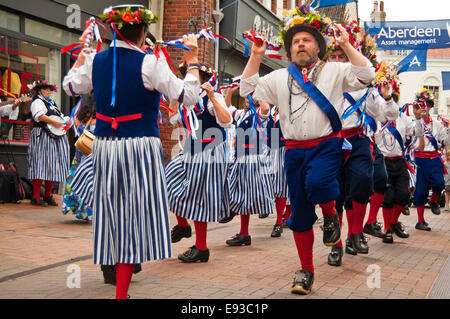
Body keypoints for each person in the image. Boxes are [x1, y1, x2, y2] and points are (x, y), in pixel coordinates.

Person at [63, 4, 201, 299]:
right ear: (142, 33)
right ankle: (121, 291)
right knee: (135, 217)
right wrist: (192, 62)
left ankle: (116, 277)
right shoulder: (149, 62)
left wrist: (84, 54)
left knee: (109, 215)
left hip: (104, 147)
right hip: (139, 147)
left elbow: (71, 87)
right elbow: (188, 95)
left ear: (114, 29)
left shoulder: (96, 60)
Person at [240, 5, 375, 294]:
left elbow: (367, 75)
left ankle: (329, 216)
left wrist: (346, 44)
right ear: (289, 50)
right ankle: (306, 270)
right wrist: (255, 55)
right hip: (294, 151)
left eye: (307, 40)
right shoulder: (279, 77)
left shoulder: (337, 71)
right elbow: (246, 89)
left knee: (319, 183)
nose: (301, 44)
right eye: (296, 41)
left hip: (327, 145)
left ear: (319, 47)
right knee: (299, 211)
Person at [325, 25, 399, 266]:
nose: (337, 62)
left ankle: (356, 232)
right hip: (331, 141)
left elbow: (386, 115)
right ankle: (335, 246)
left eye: (341, 57)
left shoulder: (365, 88)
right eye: (332, 57)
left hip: (357, 140)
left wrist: (386, 96)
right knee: (335, 197)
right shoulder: (321, 84)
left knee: (364, 183)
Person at [165, 63, 232, 263]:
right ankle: (183, 226)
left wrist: (212, 96)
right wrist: (173, 97)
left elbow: (227, 120)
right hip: (191, 151)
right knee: (166, 181)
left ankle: (201, 247)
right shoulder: (186, 100)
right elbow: (173, 120)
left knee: (198, 196)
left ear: (202, 77)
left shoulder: (213, 97)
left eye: (192, 75)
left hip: (211, 151)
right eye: (186, 75)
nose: (189, 78)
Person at [371, 96, 423, 243]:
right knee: (388, 198)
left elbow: (417, 133)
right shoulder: (376, 118)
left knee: (404, 196)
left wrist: (418, 118)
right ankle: (388, 228)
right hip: (383, 162)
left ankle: (394, 222)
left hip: (399, 162)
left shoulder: (404, 118)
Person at [224, 95, 274, 246]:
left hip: (253, 157)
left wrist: (259, 93)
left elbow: (265, 107)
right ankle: (242, 229)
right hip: (240, 158)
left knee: (245, 194)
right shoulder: (241, 113)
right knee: (236, 191)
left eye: (251, 95)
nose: (248, 97)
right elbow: (228, 108)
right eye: (246, 95)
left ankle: (243, 230)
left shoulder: (261, 113)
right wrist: (231, 91)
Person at [412, 88, 450, 231]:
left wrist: (449, 128)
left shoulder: (438, 125)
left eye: (426, 105)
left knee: (440, 184)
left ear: (430, 107)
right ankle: (420, 221)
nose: (424, 108)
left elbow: (445, 142)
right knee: (421, 191)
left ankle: (434, 200)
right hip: (420, 158)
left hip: (434, 157)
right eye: (421, 105)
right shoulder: (414, 122)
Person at [27, 80, 70, 207]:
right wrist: (54, 122)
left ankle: (47, 195)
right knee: (40, 164)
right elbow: (39, 116)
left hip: (54, 137)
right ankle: (35, 196)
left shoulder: (52, 103)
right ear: (39, 90)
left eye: (50, 89)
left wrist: (65, 120)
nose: (49, 91)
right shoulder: (37, 102)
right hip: (42, 135)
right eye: (46, 89)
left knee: (52, 164)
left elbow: (60, 117)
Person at [62, 103, 96, 222]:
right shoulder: (98, 122)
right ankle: (86, 213)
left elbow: (73, 122)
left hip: (79, 156)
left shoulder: (79, 122)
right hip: (90, 157)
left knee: (74, 181)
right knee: (88, 183)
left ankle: (74, 206)